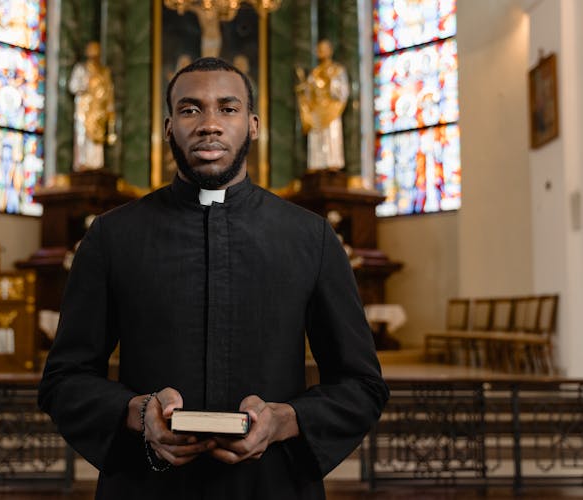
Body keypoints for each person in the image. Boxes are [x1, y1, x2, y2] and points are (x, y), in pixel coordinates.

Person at [38, 57, 388, 500]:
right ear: (168, 127)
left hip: (272, 486)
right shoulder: (112, 236)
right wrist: (137, 412)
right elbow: (63, 380)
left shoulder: (310, 237)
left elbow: (362, 384)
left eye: (227, 108)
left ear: (254, 125)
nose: (209, 124)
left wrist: (285, 421)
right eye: (190, 109)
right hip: (148, 487)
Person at [295, 39, 350, 170]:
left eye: (324, 49)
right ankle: (317, 164)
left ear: (330, 51)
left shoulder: (337, 70)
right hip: (317, 111)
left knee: (332, 135)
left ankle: (333, 164)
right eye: (319, 49)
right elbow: (308, 93)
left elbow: (343, 91)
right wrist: (303, 91)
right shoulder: (314, 73)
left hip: (332, 109)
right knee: (316, 137)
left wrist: (331, 83)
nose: (321, 52)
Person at [68, 41, 116, 171]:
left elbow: (109, 91)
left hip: (98, 110)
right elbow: (73, 86)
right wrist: (85, 83)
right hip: (84, 109)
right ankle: (83, 163)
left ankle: (96, 164)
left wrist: (109, 109)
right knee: (83, 136)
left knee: (98, 138)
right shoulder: (81, 69)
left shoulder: (104, 72)